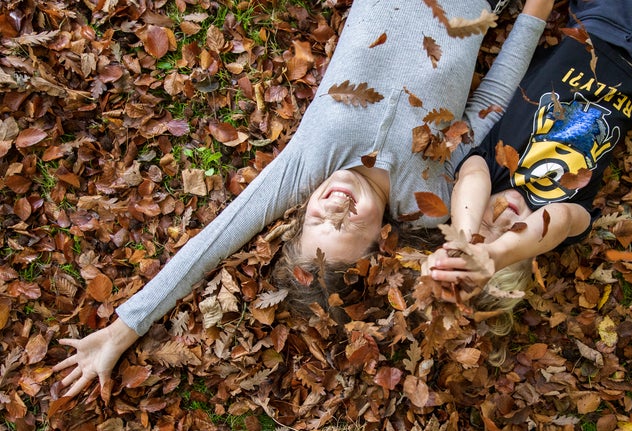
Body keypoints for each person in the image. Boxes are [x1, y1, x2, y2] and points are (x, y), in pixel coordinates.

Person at [52, 0, 555, 397]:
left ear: (300, 211)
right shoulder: (430, 197)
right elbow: (496, 94)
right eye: (344, 227)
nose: (334, 209)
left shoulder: (309, 164)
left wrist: (121, 330)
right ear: (380, 240)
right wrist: (539, 7)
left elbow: (214, 242)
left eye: (319, 221)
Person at [424, 0, 632, 298]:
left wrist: (465, 241)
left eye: (489, 223)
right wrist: (495, 253)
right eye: (513, 235)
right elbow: (557, 222)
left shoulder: (490, 167)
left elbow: (470, 182)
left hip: (600, 23)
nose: (507, 221)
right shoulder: (566, 213)